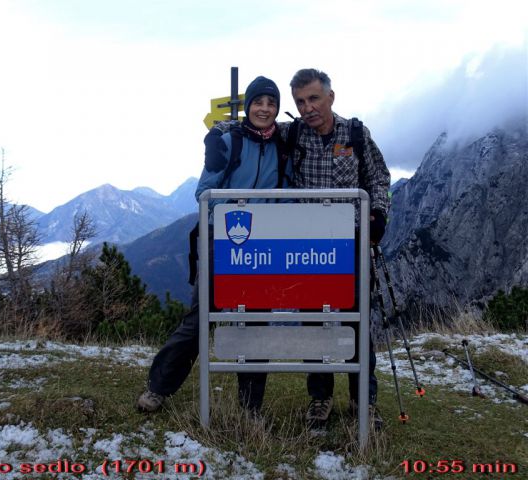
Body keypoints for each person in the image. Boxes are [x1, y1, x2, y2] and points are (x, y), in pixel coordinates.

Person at [204, 68, 391, 432]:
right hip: (307, 249)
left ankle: (362, 402)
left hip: (349, 244)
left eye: (314, 99)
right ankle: (319, 400)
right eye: (301, 102)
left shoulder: (355, 133)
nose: (307, 108)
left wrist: (379, 215)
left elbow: (379, 178)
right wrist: (216, 133)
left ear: (330, 97)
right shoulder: (294, 133)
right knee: (313, 322)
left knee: (358, 322)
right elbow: (254, 128)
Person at [137, 76, 293, 415]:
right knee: (202, 317)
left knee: (255, 322)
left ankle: (250, 408)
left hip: (262, 249)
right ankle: (158, 388)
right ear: (248, 105)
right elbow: (203, 193)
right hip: (222, 240)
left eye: (271, 103)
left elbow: (289, 190)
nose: (264, 109)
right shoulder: (227, 141)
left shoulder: (283, 147)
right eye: (258, 102)